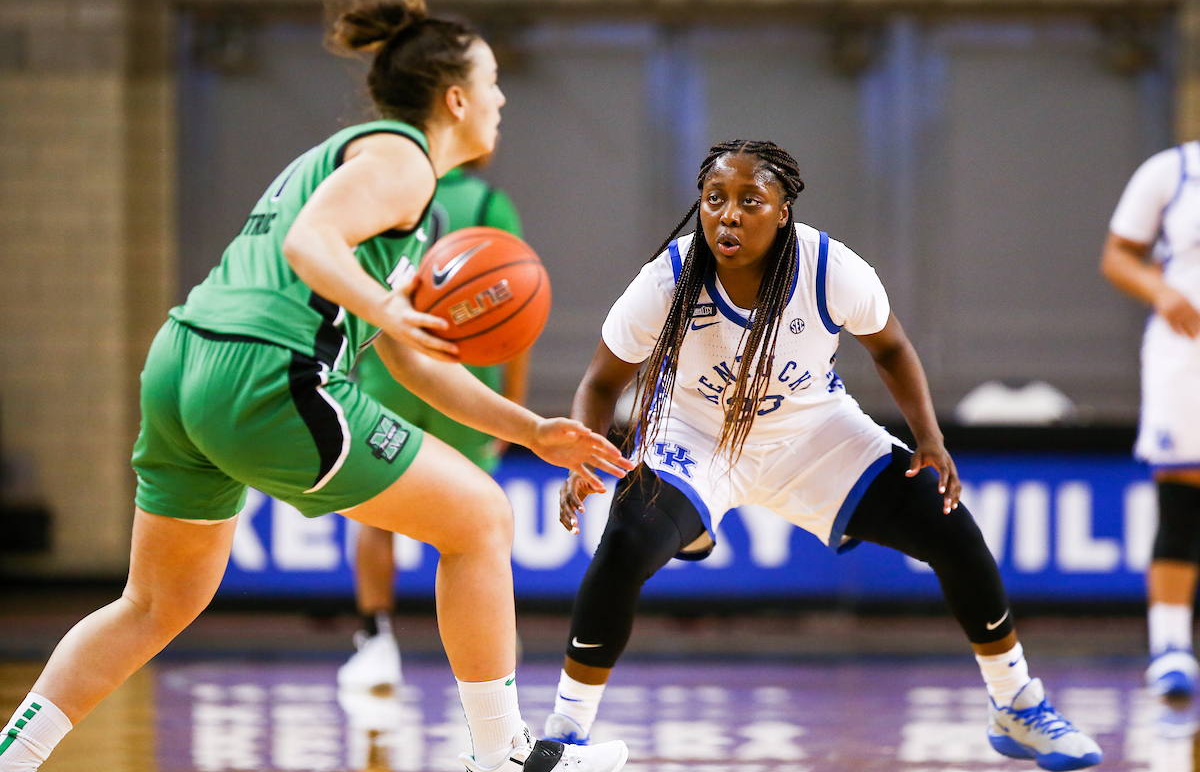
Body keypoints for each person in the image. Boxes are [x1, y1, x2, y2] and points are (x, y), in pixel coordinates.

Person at [0, 0, 634, 772]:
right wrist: (384, 309)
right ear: (457, 98)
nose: (503, 98)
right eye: (494, 81)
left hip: (183, 362)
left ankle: (12, 757)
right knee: (478, 520)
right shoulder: (402, 158)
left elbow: (409, 358)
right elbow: (310, 242)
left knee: (155, 602)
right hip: (265, 370)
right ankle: (506, 756)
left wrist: (531, 430)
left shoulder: (377, 172)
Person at [541, 140, 1103, 771]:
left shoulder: (830, 266)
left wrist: (930, 438)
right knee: (622, 544)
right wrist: (582, 455)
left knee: (949, 525)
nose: (728, 215)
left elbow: (890, 349)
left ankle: (1016, 704)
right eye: (714, 200)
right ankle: (567, 730)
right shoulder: (668, 277)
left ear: (782, 212)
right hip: (696, 440)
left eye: (749, 201)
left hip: (815, 436)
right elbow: (600, 382)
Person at [339, 157, 529, 692]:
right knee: (476, 524)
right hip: (463, 384)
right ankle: (491, 658)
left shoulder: (385, 192)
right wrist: (514, 402)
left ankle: (376, 641)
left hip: (385, 374)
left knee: (374, 517)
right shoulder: (490, 205)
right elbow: (517, 304)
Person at [1102, 141, 1200, 699]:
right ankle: (1171, 646)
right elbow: (1117, 255)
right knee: (1182, 496)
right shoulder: (1172, 169)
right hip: (1186, 355)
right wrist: (1161, 291)